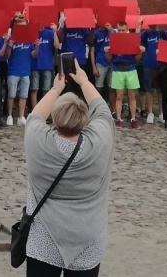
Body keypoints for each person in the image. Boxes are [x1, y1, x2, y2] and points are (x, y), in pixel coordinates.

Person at [24, 61, 114, 276]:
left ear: (54, 118)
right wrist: (83, 81)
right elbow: (102, 110)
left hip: (45, 236)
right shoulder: (100, 141)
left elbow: (35, 115)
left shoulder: (38, 140)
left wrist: (56, 89)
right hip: (88, 237)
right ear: (85, 120)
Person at [105, 21, 142, 129]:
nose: (121, 32)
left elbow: (137, 59)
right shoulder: (114, 40)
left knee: (132, 95)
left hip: (130, 69)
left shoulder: (131, 40)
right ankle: (119, 119)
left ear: (127, 30)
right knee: (119, 95)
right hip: (117, 69)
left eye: (123, 30)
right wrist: (107, 51)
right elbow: (109, 59)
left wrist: (140, 51)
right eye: (119, 30)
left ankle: (133, 119)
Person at [5, 13, 35, 126]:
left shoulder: (29, 39)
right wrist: (9, 47)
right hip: (13, 70)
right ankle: (9, 115)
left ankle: (21, 116)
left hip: (25, 70)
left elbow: (33, 54)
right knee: (11, 95)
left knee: (24, 95)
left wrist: (37, 47)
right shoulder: (12, 38)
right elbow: (7, 56)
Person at [139, 22, 167, 125]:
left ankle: (161, 112)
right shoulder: (146, 34)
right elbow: (137, 39)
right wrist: (139, 26)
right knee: (149, 89)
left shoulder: (162, 33)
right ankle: (150, 112)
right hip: (148, 65)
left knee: (160, 90)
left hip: (161, 65)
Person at [29, 23, 59, 112]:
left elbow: (56, 46)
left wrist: (54, 32)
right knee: (34, 90)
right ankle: (35, 112)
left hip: (47, 65)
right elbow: (31, 52)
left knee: (46, 90)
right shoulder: (32, 33)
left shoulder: (49, 33)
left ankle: (46, 112)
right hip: (35, 65)